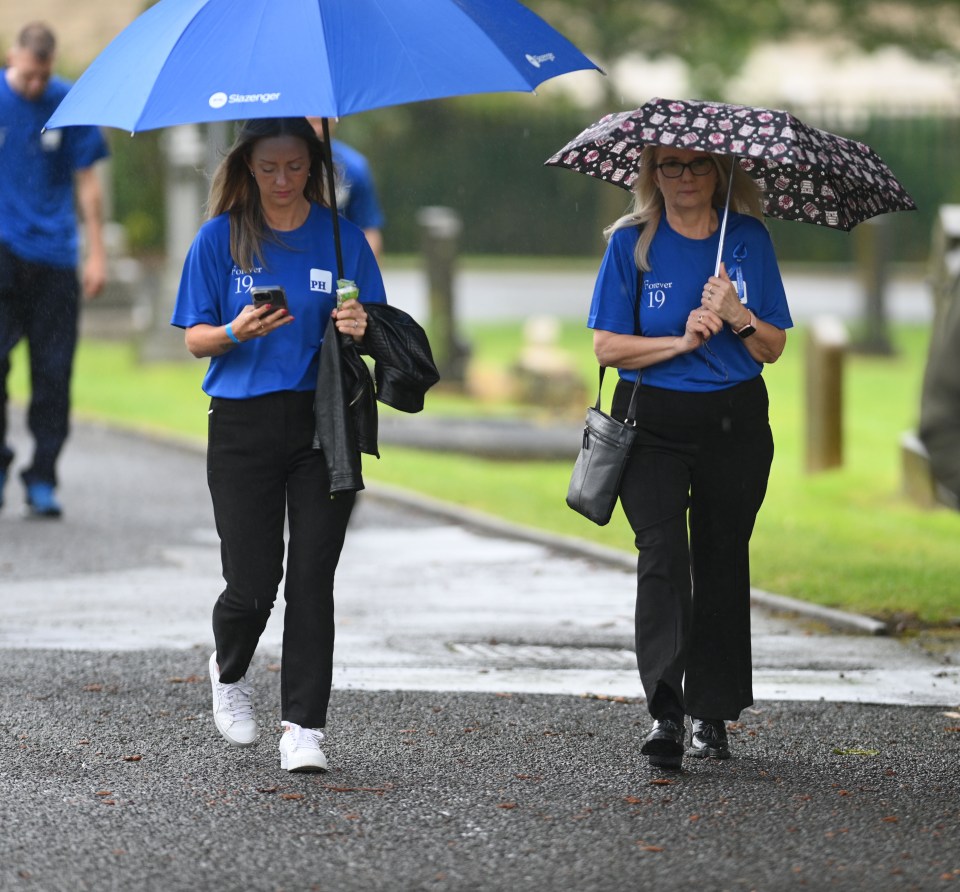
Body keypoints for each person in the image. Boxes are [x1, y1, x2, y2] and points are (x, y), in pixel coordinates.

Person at [170, 117, 386, 772]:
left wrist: (359, 323)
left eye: (296, 168)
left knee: (313, 577)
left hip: (325, 423)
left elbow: (378, 327)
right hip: (241, 424)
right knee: (253, 582)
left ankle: (304, 728)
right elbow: (194, 338)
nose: (283, 181)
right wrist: (236, 329)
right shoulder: (219, 239)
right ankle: (229, 668)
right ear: (247, 168)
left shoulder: (344, 240)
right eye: (270, 169)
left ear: (315, 167)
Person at [587, 145, 793, 769]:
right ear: (652, 174)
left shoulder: (748, 240)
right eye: (669, 166)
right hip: (651, 424)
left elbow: (774, 347)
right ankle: (665, 712)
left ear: (719, 173)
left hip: (734, 424)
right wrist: (679, 341)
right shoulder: (631, 245)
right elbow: (606, 347)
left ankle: (711, 712)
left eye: (697, 165)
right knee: (663, 555)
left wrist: (737, 316)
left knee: (721, 559)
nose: (683, 178)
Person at [0, 22, 109, 518]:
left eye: (44, 77)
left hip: (55, 257)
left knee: (53, 374)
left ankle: (42, 476)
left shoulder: (70, 104)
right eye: (28, 77)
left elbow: (88, 182)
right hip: (3, 251)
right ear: (12, 59)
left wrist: (97, 252)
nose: (36, 87)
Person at [306, 117, 385, 261]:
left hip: (342, 259)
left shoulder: (354, 166)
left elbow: (369, 228)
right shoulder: (283, 166)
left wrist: (364, 272)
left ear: (334, 121)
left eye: (322, 122)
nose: (317, 130)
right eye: (311, 123)